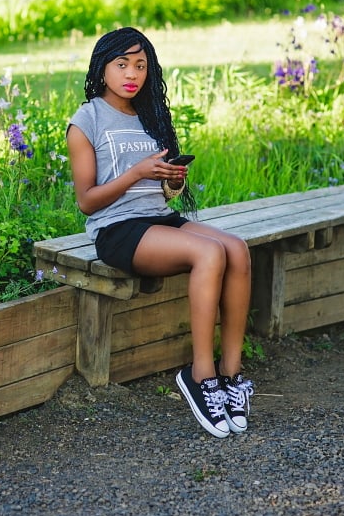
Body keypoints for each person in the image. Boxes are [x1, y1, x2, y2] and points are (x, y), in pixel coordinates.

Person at [67, 27, 254, 438]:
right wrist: (137, 173)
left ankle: (231, 374)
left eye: (140, 65)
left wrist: (172, 180)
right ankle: (200, 377)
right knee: (210, 254)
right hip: (117, 229)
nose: (132, 73)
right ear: (102, 69)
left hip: (157, 218)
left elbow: (165, 195)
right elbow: (87, 200)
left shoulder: (150, 115)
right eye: (122, 64)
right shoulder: (87, 120)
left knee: (236, 249)